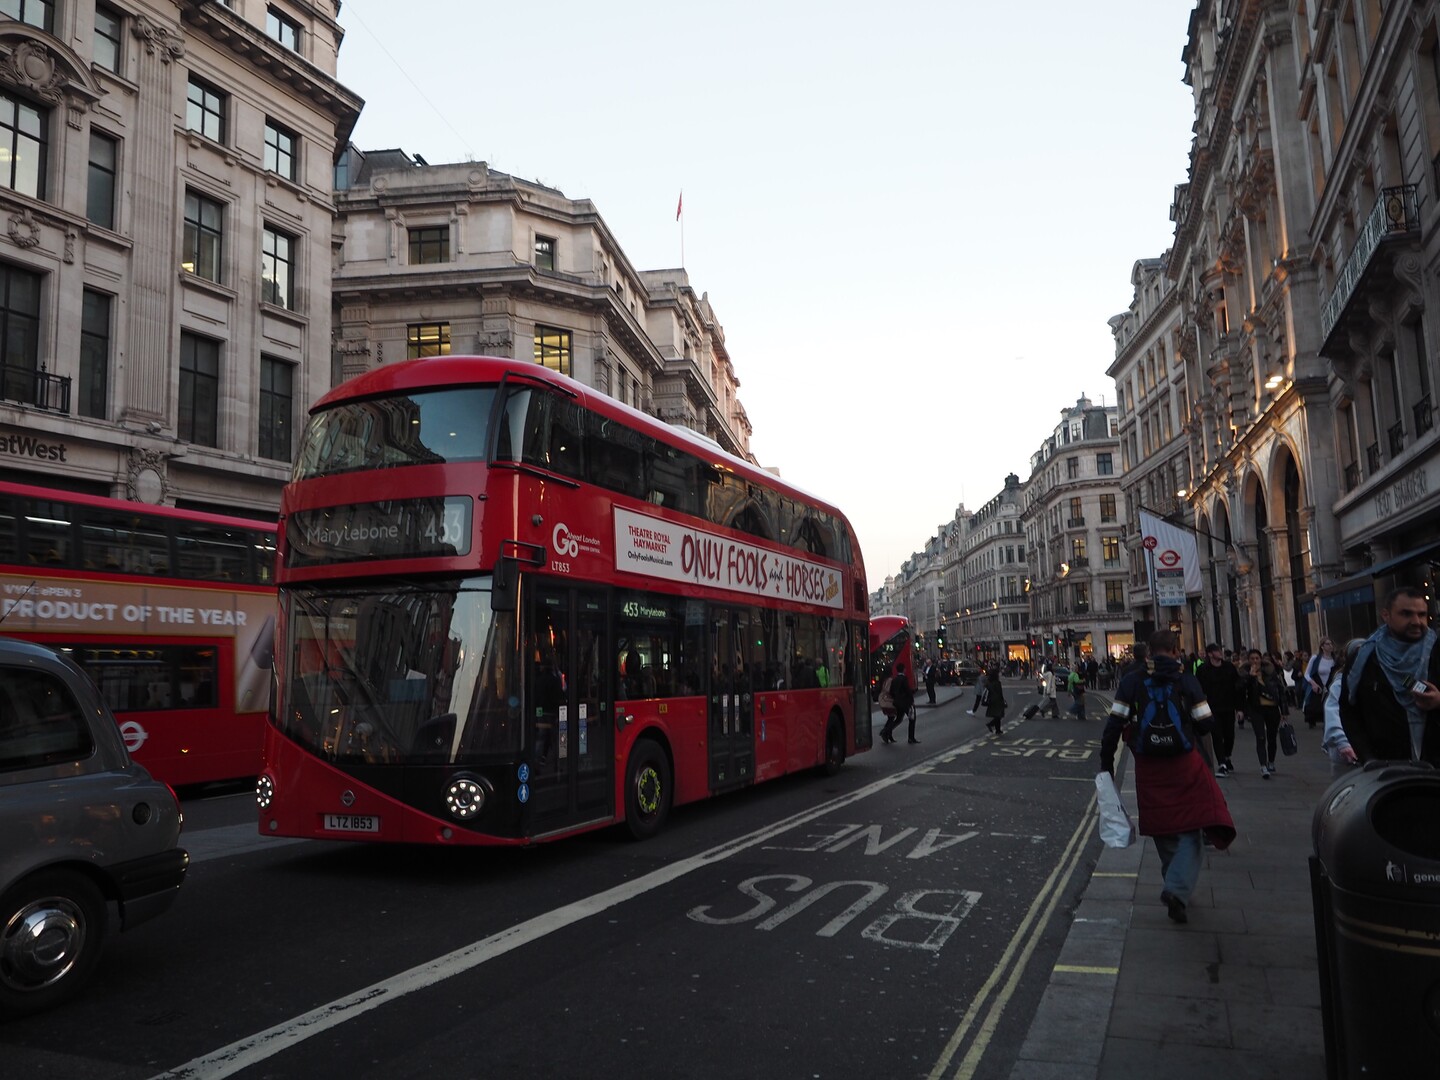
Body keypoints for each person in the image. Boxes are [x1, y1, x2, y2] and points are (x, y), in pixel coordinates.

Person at [1101, 630, 1235, 925]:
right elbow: (1206, 721)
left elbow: (1115, 724)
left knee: (1163, 828)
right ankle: (1176, 889)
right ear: (1175, 650)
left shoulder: (1132, 680)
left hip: (1148, 765)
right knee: (1191, 828)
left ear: (1149, 652)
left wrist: (1106, 763)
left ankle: (1175, 887)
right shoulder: (1186, 679)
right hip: (1183, 762)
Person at [1338, 586, 1440, 765]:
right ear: (1386, 615)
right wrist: (1368, 757)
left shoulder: (1437, 652)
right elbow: (1349, 711)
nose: (1416, 621)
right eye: (1406, 614)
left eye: (1422, 614)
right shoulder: (1365, 659)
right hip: (1385, 768)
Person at [1195, 642, 1244, 776]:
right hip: (1212, 708)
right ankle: (1221, 763)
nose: (1220, 653)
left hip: (1229, 706)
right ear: (1210, 654)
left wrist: (1239, 709)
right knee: (1217, 736)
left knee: (1229, 735)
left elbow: (1237, 688)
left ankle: (1227, 756)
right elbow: (1198, 690)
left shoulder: (1229, 668)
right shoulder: (1203, 670)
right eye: (1216, 651)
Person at [1241, 649, 1288, 778]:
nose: (1255, 661)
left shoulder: (1271, 672)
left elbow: (1280, 690)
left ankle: (1271, 762)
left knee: (1272, 737)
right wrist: (1251, 677)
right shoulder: (1245, 674)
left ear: (1261, 659)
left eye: (1257, 658)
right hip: (1256, 709)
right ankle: (1263, 765)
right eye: (1252, 659)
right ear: (1248, 660)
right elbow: (1241, 690)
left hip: (1272, 708)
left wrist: (1284, 710)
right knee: (1260, 737)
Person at [1322, 638, 1364, 777]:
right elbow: (1332, 711)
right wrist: (1342, 742)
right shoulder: (1340, 684)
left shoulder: (1372, 680)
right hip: (1347, 752)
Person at [1302, 638, 1336, 728]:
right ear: (1322, 646)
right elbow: (1307, 674)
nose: (1330, 646)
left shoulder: (1334, 660)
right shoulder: (1315, 658)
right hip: (1318, 686)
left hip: (1330, 686)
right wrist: (1313, 683)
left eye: (1331, 644)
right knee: (1316, 708)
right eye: (1327, 644)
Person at [881, 661, 918, 745]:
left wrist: (896, 698)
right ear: (904, 670)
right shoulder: (904, 679)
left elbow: (891, 691)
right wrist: (911, 700)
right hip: (905, 703)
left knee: (898, 719)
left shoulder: (894, 679)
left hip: (897, 703)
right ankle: (911, 738)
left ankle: (885, 731)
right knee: (912, 719)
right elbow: (907, 691)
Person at [983, 665, 1008, 736]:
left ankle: (998, 730)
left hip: (991, 700)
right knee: (999, 715)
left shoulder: (988, 683)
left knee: (996, 715)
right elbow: (1000, 693)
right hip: (997, 700)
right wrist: (1003, 700)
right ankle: (991, 725)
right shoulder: (997, 683)